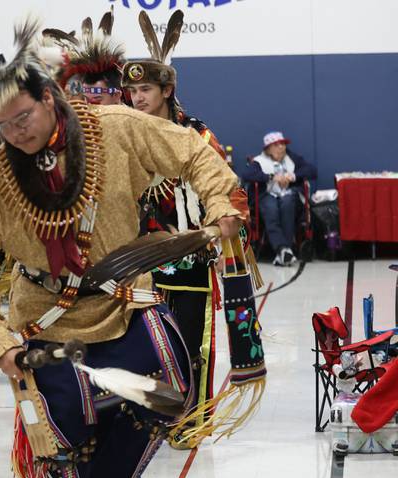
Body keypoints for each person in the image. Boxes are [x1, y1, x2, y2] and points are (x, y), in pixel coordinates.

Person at [0, 14, 244, 478]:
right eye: (3, 127)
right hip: (42, 321)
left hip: (122, 298)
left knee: (170, 391)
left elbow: (193, 153)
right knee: (60, 429)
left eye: (23, 117)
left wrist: (219, 202)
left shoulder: (117, 128)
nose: (17, 133)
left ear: (49, 98)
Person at [122, 10, 255, 447]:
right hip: (139, 259)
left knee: (190, 344)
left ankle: (190, 420)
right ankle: (149, 421)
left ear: (166, 90)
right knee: (144, 345)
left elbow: (224, 185)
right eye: (133, 90)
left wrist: (226, 222)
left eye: (146, 89)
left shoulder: (195, 134)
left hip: (189, 256)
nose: (138, 97)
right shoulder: (124, 133)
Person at [241, 131, 317, 266]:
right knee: (271, 209)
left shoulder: (292, 158)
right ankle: (283, 249)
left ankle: (283, 251)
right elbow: (247, 175)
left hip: (289, 194)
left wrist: (292, 176)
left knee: (287, 204)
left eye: (283, 144)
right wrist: (271, 177)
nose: (281, 147)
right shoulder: (259, 161)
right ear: (268, 149)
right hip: (267, 195)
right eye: (276, 145)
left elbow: (311, 170)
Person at [42, 8, 125, 106]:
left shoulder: (135, 120)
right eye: (85, 100)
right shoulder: (77, 119)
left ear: (116, 95)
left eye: (97, 100)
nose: (90, 107)